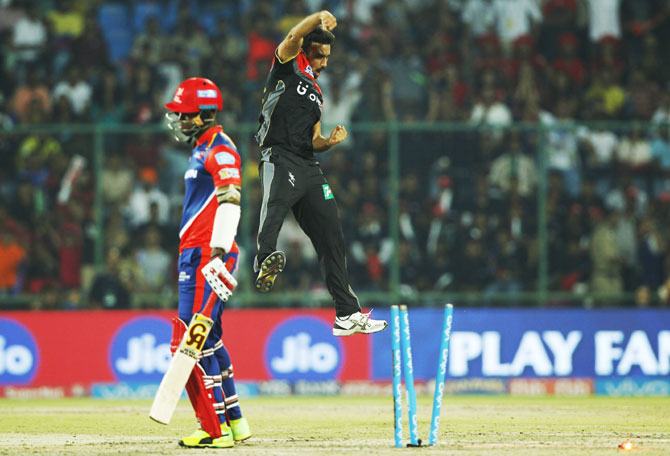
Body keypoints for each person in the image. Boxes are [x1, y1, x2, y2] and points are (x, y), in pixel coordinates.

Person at [254, 10, 387, 336]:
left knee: (332, 235)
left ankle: (346, 314)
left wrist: (329, 142)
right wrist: (317, 18)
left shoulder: (317, 91)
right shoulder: (286, 65)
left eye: (327, 57)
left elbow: (313, 139)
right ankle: (264, 260)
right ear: (307, 50)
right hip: (279, 156)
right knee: (275, 206)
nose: (325, 63)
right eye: (321, 55)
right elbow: (291, 38)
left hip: (308, 164)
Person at [164, 77, 250, 448]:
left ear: (203, 114)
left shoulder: (220, 148)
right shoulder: (201, 147)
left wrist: (217, 253)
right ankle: (235, 422)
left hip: (205, 254)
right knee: (210, 338)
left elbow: (231, 199)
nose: (179, 121)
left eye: (184, 115)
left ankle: (213, 429)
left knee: (189, 340)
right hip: (198, 252)